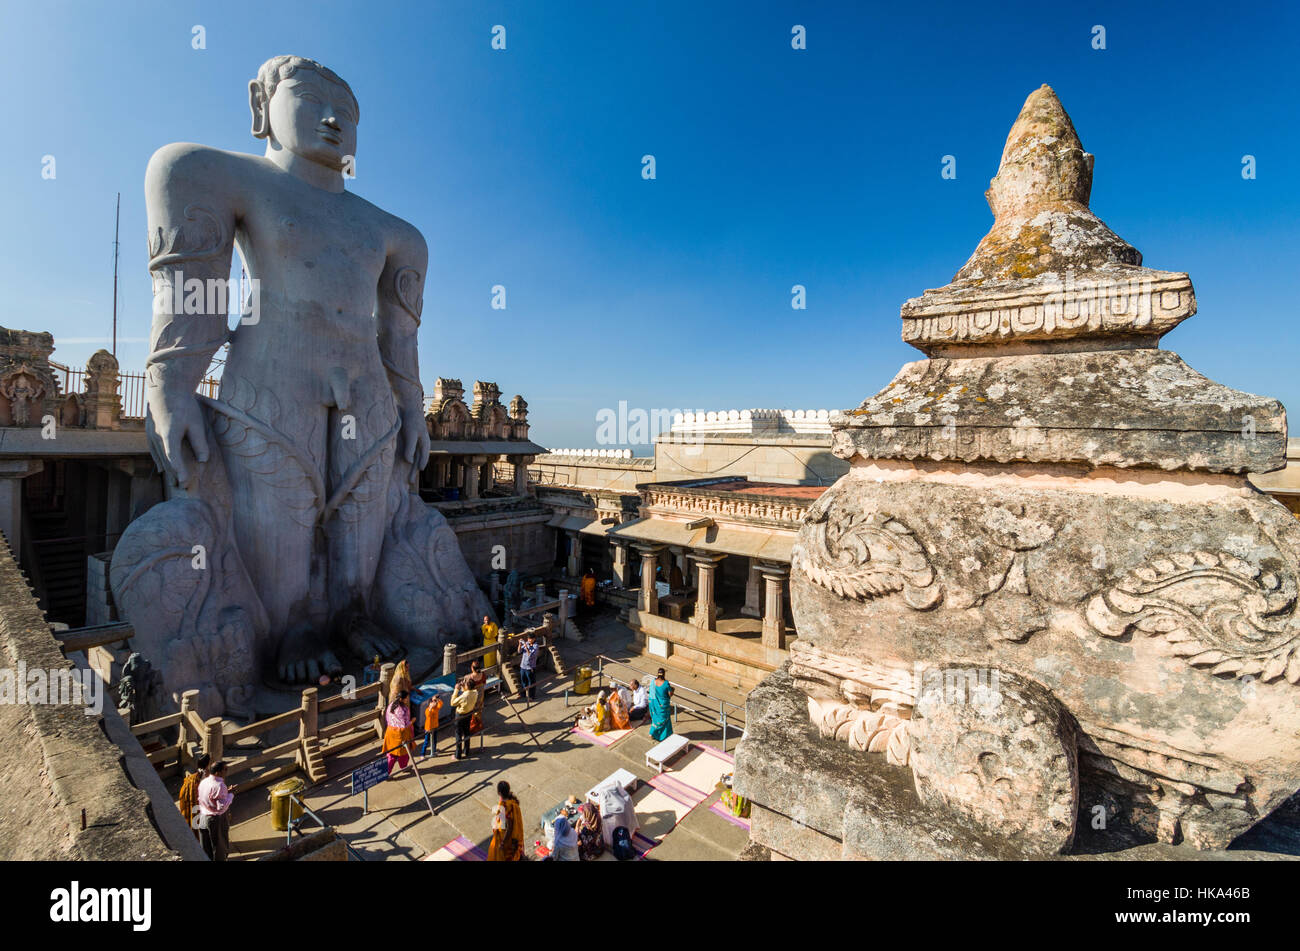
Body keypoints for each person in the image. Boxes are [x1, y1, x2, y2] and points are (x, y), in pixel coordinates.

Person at [197, 760, 233, 861]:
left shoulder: (204, 782)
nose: (226, 771)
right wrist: (230, 795)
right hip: (215, 819)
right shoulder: (220, 785)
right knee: (219, 847)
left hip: (204, 816)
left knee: (206, 846)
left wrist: (225, 793)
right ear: (218, 772)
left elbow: (209, 797)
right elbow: (221, 807)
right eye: (225, 769)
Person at [176, 752, 210, 839]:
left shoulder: (191, 779)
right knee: (204, 830)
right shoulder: (208, 777)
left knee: (195, 826)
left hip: (193, 806)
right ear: (208, 764)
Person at [488, 781, 524, 861]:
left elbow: (509, 827)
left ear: (499, 792)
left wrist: (503, 843)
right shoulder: (513, 803)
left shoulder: (505, 807)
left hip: (505, 839)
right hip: (511, 838)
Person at [383, 690, 415, 773]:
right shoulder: (403, 709)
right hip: (400, 734)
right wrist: (412, 721)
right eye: (406, 698)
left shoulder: (391, 705)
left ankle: (386, 772)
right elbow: (404, 725)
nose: (407, 700)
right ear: (402, 699)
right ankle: (403, 767)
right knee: (403, 753)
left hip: (390, 731)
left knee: (391, 754)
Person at [451, 676, 479, 760]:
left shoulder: (464, 696)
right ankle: (466, 751)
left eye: (465, 682)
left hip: (460, 715)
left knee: (458, 734)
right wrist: (463, 687)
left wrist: (456, 689)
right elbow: (468, 694)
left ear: (467, 686)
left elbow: (452, 703)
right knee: (467, 732)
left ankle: (458, 755)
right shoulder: (475, 692)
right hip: (469, 713)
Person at [648, 669, 675, 742]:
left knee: (656, 719)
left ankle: (664, 734)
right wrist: (673, 690)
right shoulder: (666, 683)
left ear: (657, 674)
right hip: (663, 707)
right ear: (664, 674)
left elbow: (651, 693)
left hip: (654, 704)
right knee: (663, 720)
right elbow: (670, 694)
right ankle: (652, 733)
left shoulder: (653, 681)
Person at [517, 632, 540, 701]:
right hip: (523, 666)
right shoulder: (526, 643)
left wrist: (526, 647)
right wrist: (520, 644)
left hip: (530, 667)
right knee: (523, 680)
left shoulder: (536, 646)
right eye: (528, 639)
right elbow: (519, 651)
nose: (529, 640)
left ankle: (531, 696)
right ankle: (523, 694)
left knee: (531, 682)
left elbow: (531, 655)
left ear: (534, 639)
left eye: (530, 639)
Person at [421, 691, 444, 758]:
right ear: (429, 703)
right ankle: (423, 754)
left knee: (434, 740)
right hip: (428, 728)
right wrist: (430, 708)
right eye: (433, 702)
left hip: (435, 726)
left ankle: (433, 751)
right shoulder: (427, 710)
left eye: (435, 702)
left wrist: (437, 699)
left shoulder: (436, 708)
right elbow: (428, 715)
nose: (434, 703)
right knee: (426, 741)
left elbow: (441, 704)